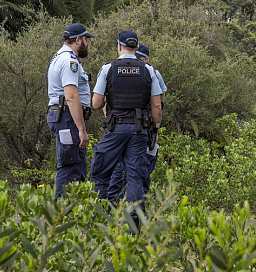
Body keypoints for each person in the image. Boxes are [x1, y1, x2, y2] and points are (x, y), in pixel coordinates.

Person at [90, 30, 163, 210]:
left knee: (101, 173)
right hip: (139, 131)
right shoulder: (149, 70)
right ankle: (133, 226)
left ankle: (98, 218)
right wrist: (155, 128)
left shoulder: (108, 68)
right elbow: (157, 106)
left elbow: (96, 103)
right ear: (137, 48)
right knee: (135, 178)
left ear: (119, 46)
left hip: (115, 129)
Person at [107, 43, 167, 201]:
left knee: (139, 172)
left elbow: (159, 104)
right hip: (138, 129)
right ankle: (129, 210)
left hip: (139, 127)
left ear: (145, 58)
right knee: (130, 172)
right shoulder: (149, 72)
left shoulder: (150, 71)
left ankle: (124, 209)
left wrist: (155, 130)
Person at [46, 23, 94, 199]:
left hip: (65, 116)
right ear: (78, 40)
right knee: (69, 166)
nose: (87, 44)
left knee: (77, 165)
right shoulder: (69, 61)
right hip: (67, 117)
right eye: (86, 40)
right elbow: (71, 96)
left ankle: (74, 215)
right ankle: (60, 217)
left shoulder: (60, 57)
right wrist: (82, 129)